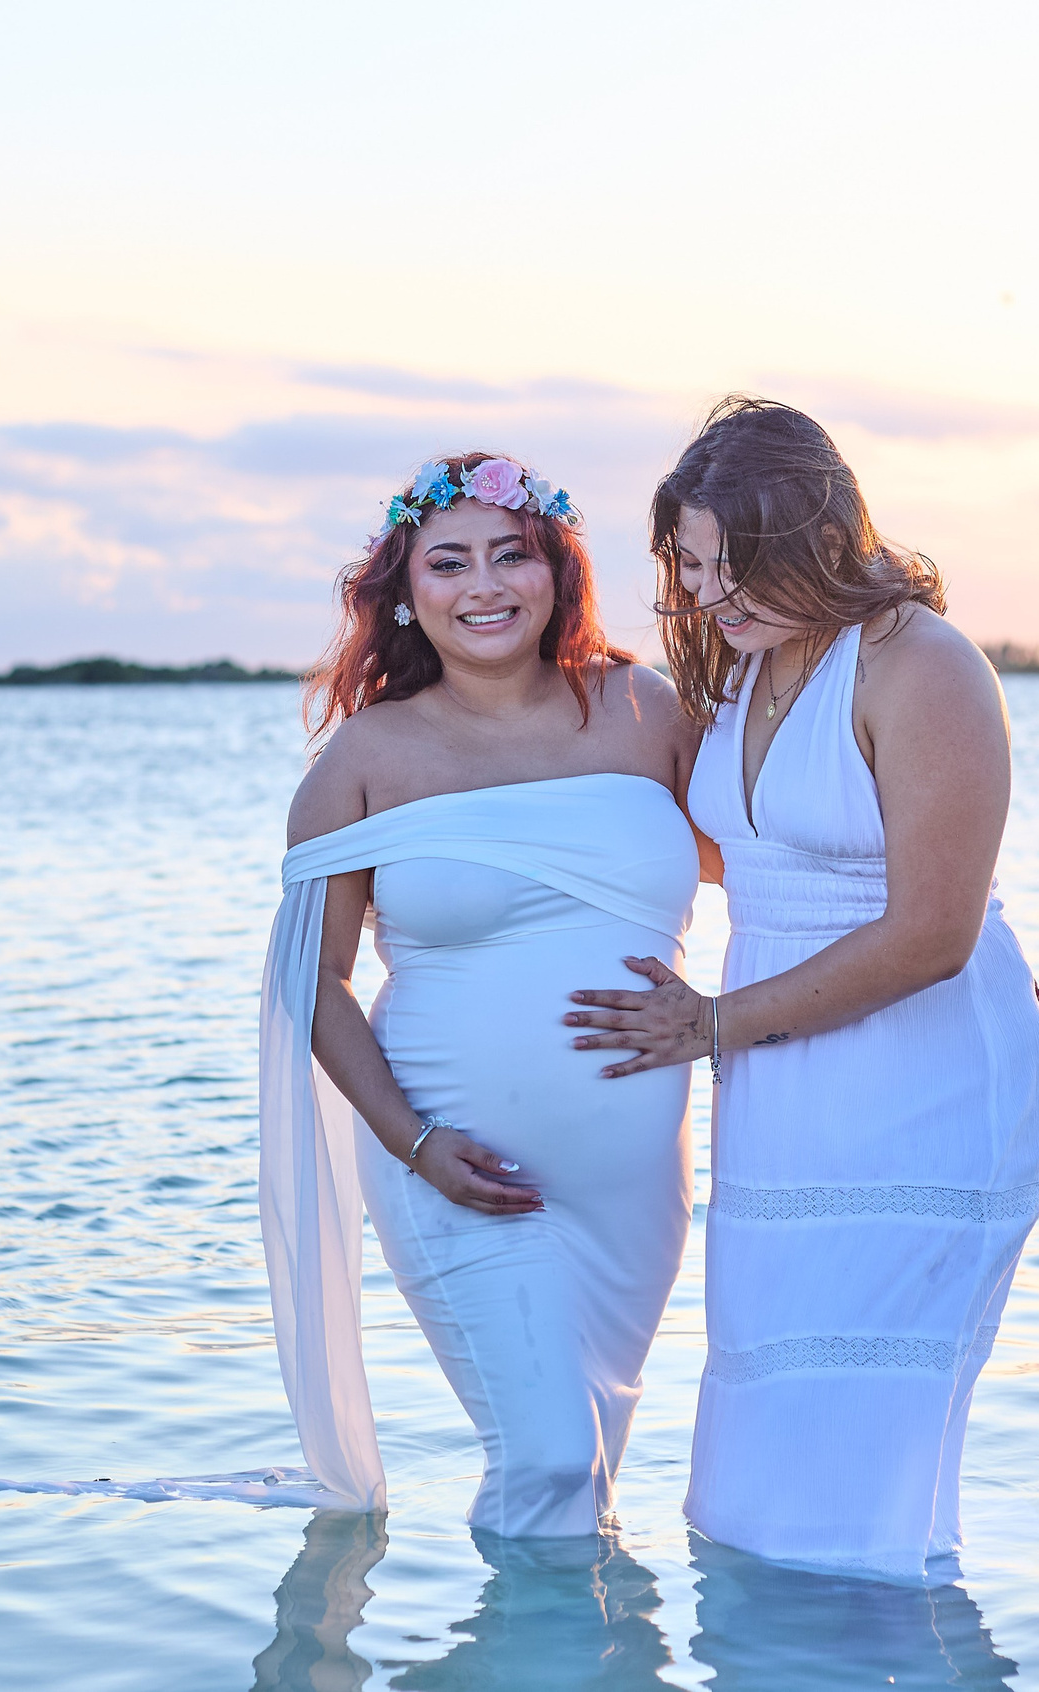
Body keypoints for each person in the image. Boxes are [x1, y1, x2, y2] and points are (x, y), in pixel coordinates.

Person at [561, 397, 1039, 1580]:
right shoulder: (741, 662)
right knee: (763, 1443)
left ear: (821, 542)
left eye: (740, 571)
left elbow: (931, 931)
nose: (712, 598)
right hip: (784, 1087)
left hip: (921, 1078)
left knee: (864, 1449)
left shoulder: (920, 667)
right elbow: (749, 858)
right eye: (691, 569)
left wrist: (711, 1024)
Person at [257, 452, 703, 1537]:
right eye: (448, 562)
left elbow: (780, 870)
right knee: (548, 1460)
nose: (484, 584)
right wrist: (411, 1141)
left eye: (512, 554)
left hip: (632, 1180)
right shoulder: (362, 761)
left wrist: (722, 1018)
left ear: (556, 572)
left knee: (584, 1468)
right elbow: (311, 984)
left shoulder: (645, 711)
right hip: (454, 1162)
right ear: (405, 594)